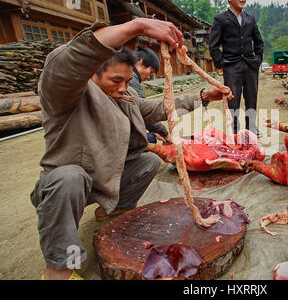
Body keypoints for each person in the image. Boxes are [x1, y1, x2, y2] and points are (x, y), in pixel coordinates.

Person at [30, 18, 233, 280]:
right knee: (69, 178)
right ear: (91, 73)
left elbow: (157, 108)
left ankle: (112, 209)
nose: (124, 89)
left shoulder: (122, 96)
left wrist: (203, 96)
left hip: (101, 180)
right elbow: (67, 62)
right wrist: (135, 26)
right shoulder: (64, 92)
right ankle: (58, 270)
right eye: (116, 80)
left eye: (127, 81)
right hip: (64, 187)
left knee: (147, 161)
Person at [209, 0, 264, 137]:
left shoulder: (250, 19)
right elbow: (213, 45)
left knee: (252, 97)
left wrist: (257, 60)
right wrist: (221, 63)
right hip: (231, 66)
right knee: (233, 100)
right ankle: (234, 130)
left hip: (250, 65)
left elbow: (259, 42)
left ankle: (251, 127)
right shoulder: (220, 19)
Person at [129, 45, 170, 144]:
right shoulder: (130, 78)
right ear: (141, 62)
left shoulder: (129, 76)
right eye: (150, 72)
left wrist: (155, 130)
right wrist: (165, 133)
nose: (148, 77)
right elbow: (144, 112)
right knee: (150, 139)